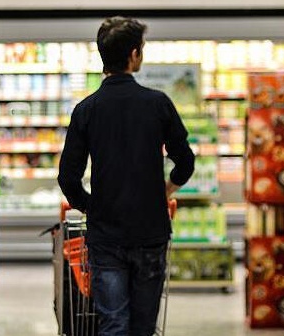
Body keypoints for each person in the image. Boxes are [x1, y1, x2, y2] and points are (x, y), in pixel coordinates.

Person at [57, 16, 195, 336]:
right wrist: (166, 190)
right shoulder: (157, 104)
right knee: (144, 326)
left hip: (106, 236)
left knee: (113, 323)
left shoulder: (86, 109)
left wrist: (92, 206)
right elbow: (185, 161)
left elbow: (68, 177)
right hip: (150, 232)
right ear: (134, 55)